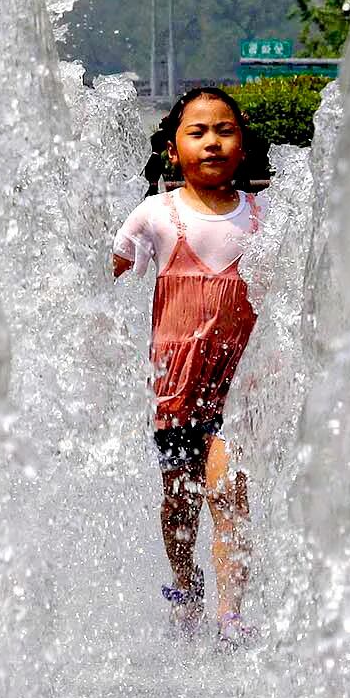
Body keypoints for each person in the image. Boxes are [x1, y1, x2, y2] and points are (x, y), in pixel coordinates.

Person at [112, 88, 272, 646]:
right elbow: (101, 276)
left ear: (244, 144)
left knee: (228, 492)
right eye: (198, 132)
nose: (212, 142)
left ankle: (231, 612)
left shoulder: (263, 216)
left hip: (239, 384)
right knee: (179, 495)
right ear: (174, 150)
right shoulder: (157, 214)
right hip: (177, 386)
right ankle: (185, 583)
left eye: (224, 130)